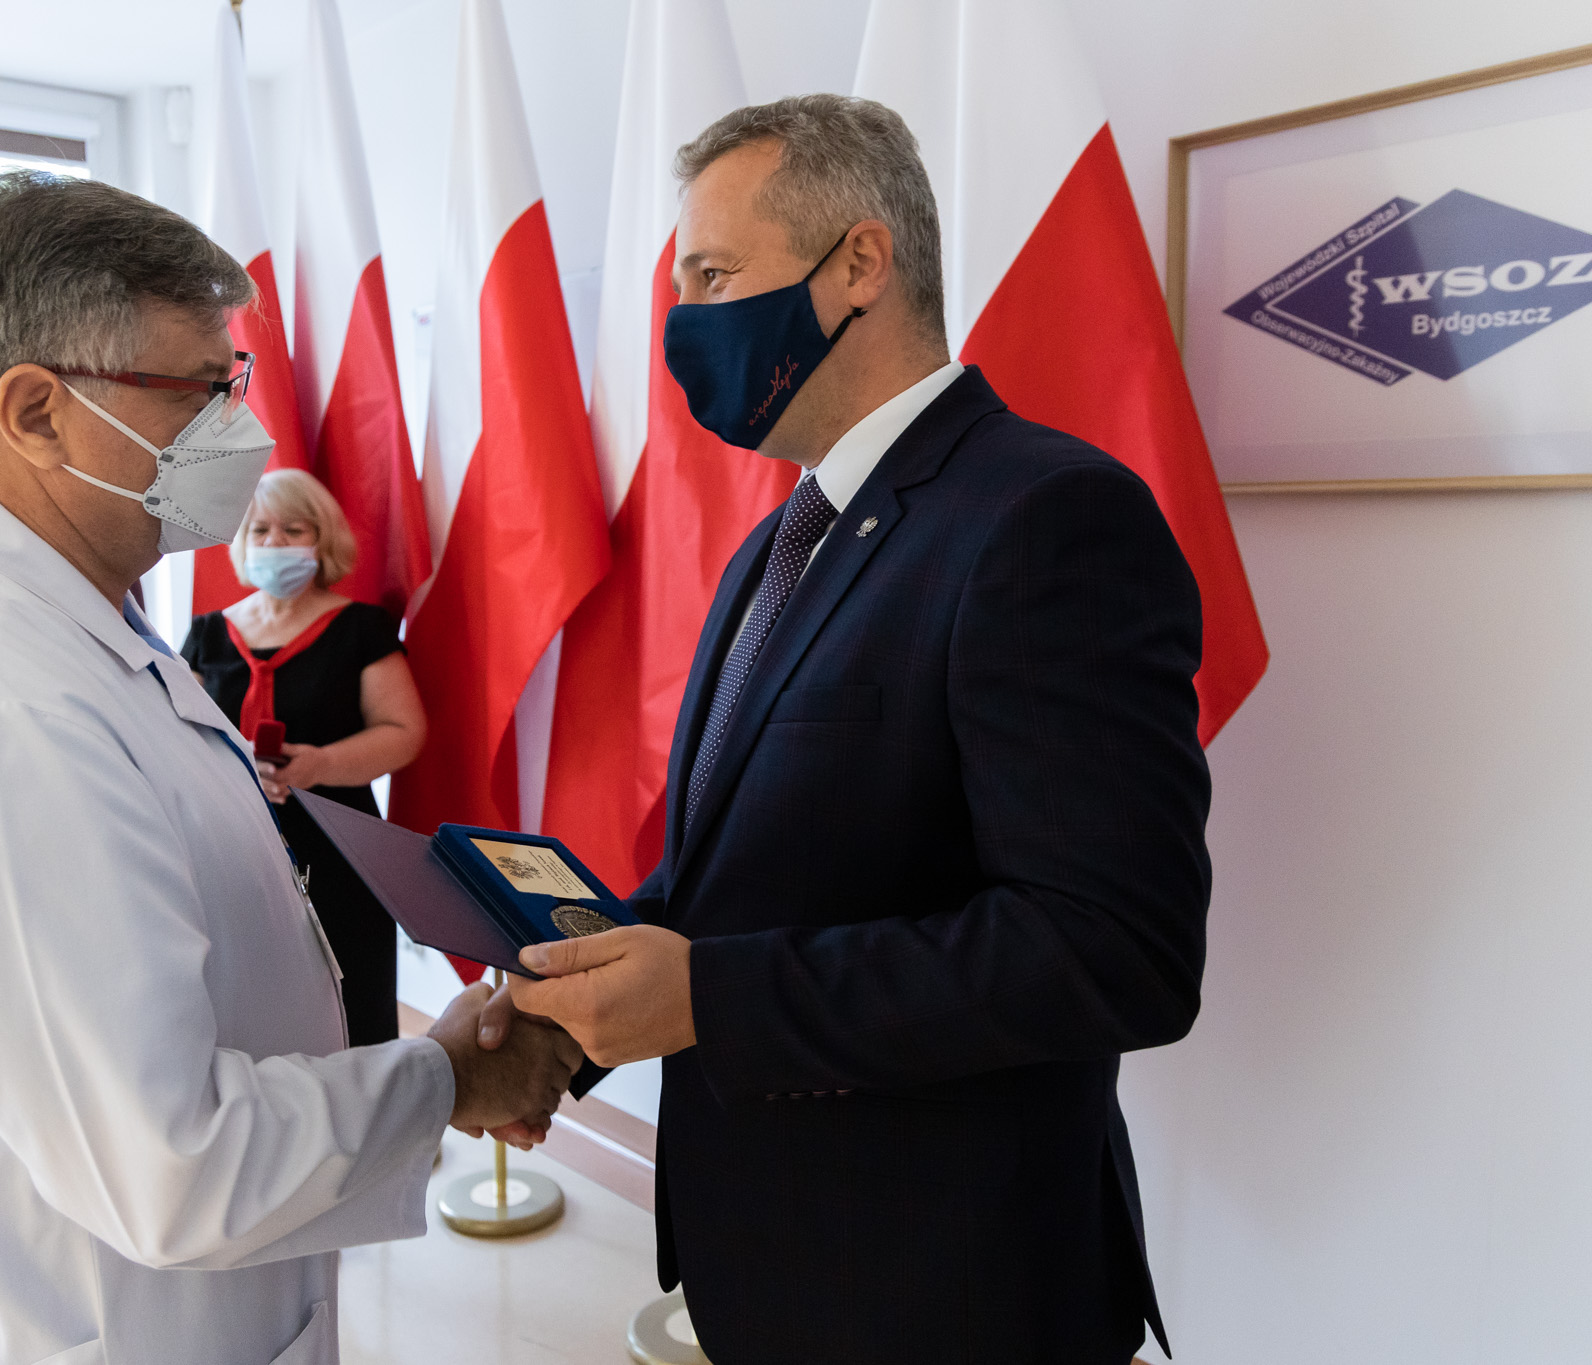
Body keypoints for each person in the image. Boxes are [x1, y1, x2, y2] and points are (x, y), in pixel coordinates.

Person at [0, 170, 579, 1365]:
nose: (241, 431)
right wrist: (445, 1082)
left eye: (237, 381)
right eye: (200, 391)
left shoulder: (64, 613)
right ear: (36, 411)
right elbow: (175, 1164)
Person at [508, 95, 1212, 1363]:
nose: (684, 321)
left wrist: (709, 1000)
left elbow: (1113, 949)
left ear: (859, 264)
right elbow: (733, 875)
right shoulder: (776, 543)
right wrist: (564, 1014)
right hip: (770, 1260)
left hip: (949, 1289)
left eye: (713, 276)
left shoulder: (1044, 516)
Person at [182, 469, 424, 1046]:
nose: (275, 542)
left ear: (323, 539)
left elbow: (403, 732)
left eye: (294, 529)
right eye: (260, 530)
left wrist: (320, 766)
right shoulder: (208, 633)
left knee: (351, 1008)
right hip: (232, 844)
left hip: (338, 846)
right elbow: (180, 734)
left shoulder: (362, 629)